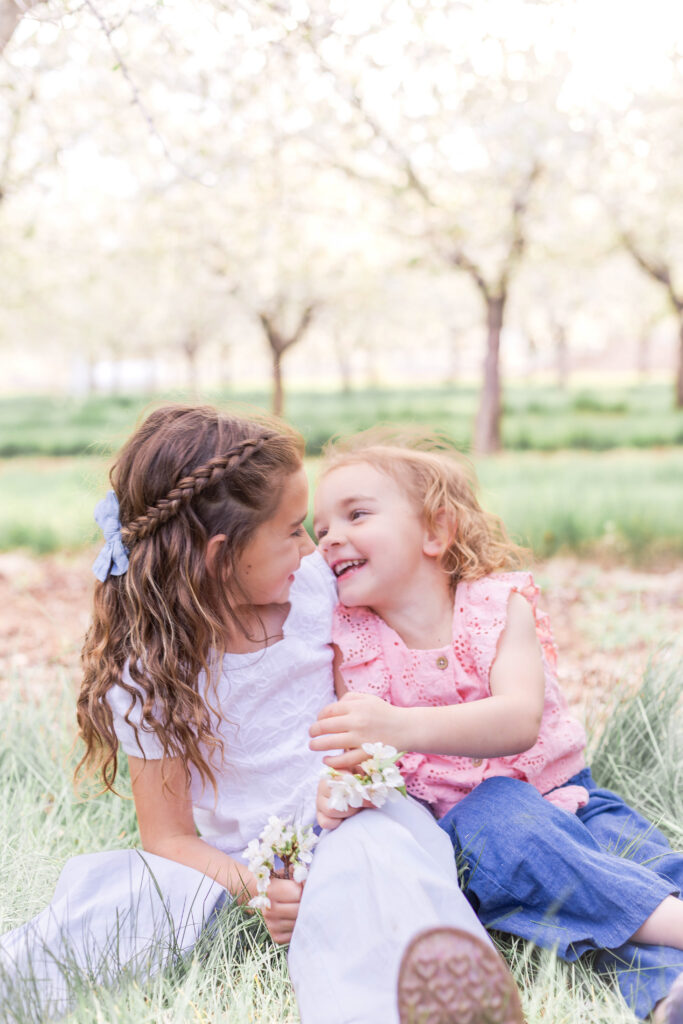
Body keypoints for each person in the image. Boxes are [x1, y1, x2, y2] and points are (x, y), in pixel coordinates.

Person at [0, 405, 524, 1024]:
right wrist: (264, 889)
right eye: (295, 529)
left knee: (376, 868)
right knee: (126, 902)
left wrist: (355, 782)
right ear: (222, 555)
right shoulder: (147, 676)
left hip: (345, 822)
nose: (315, 545)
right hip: (234, 862)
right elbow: (169, 838)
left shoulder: (314, 590)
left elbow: (361, 713)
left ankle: (416, 1000)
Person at [310, 428, 683, 1024]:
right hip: (479, 838)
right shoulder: (351, 642)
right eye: (319, 528)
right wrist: (342, 793)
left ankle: (668, 995)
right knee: (505, 821)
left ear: (435, 530)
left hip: (573, 798)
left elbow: (518, 720)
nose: (330, 538)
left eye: (355, 514)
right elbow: (362, 760)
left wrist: (400, 726)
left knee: (627, 874)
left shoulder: (496, 606)